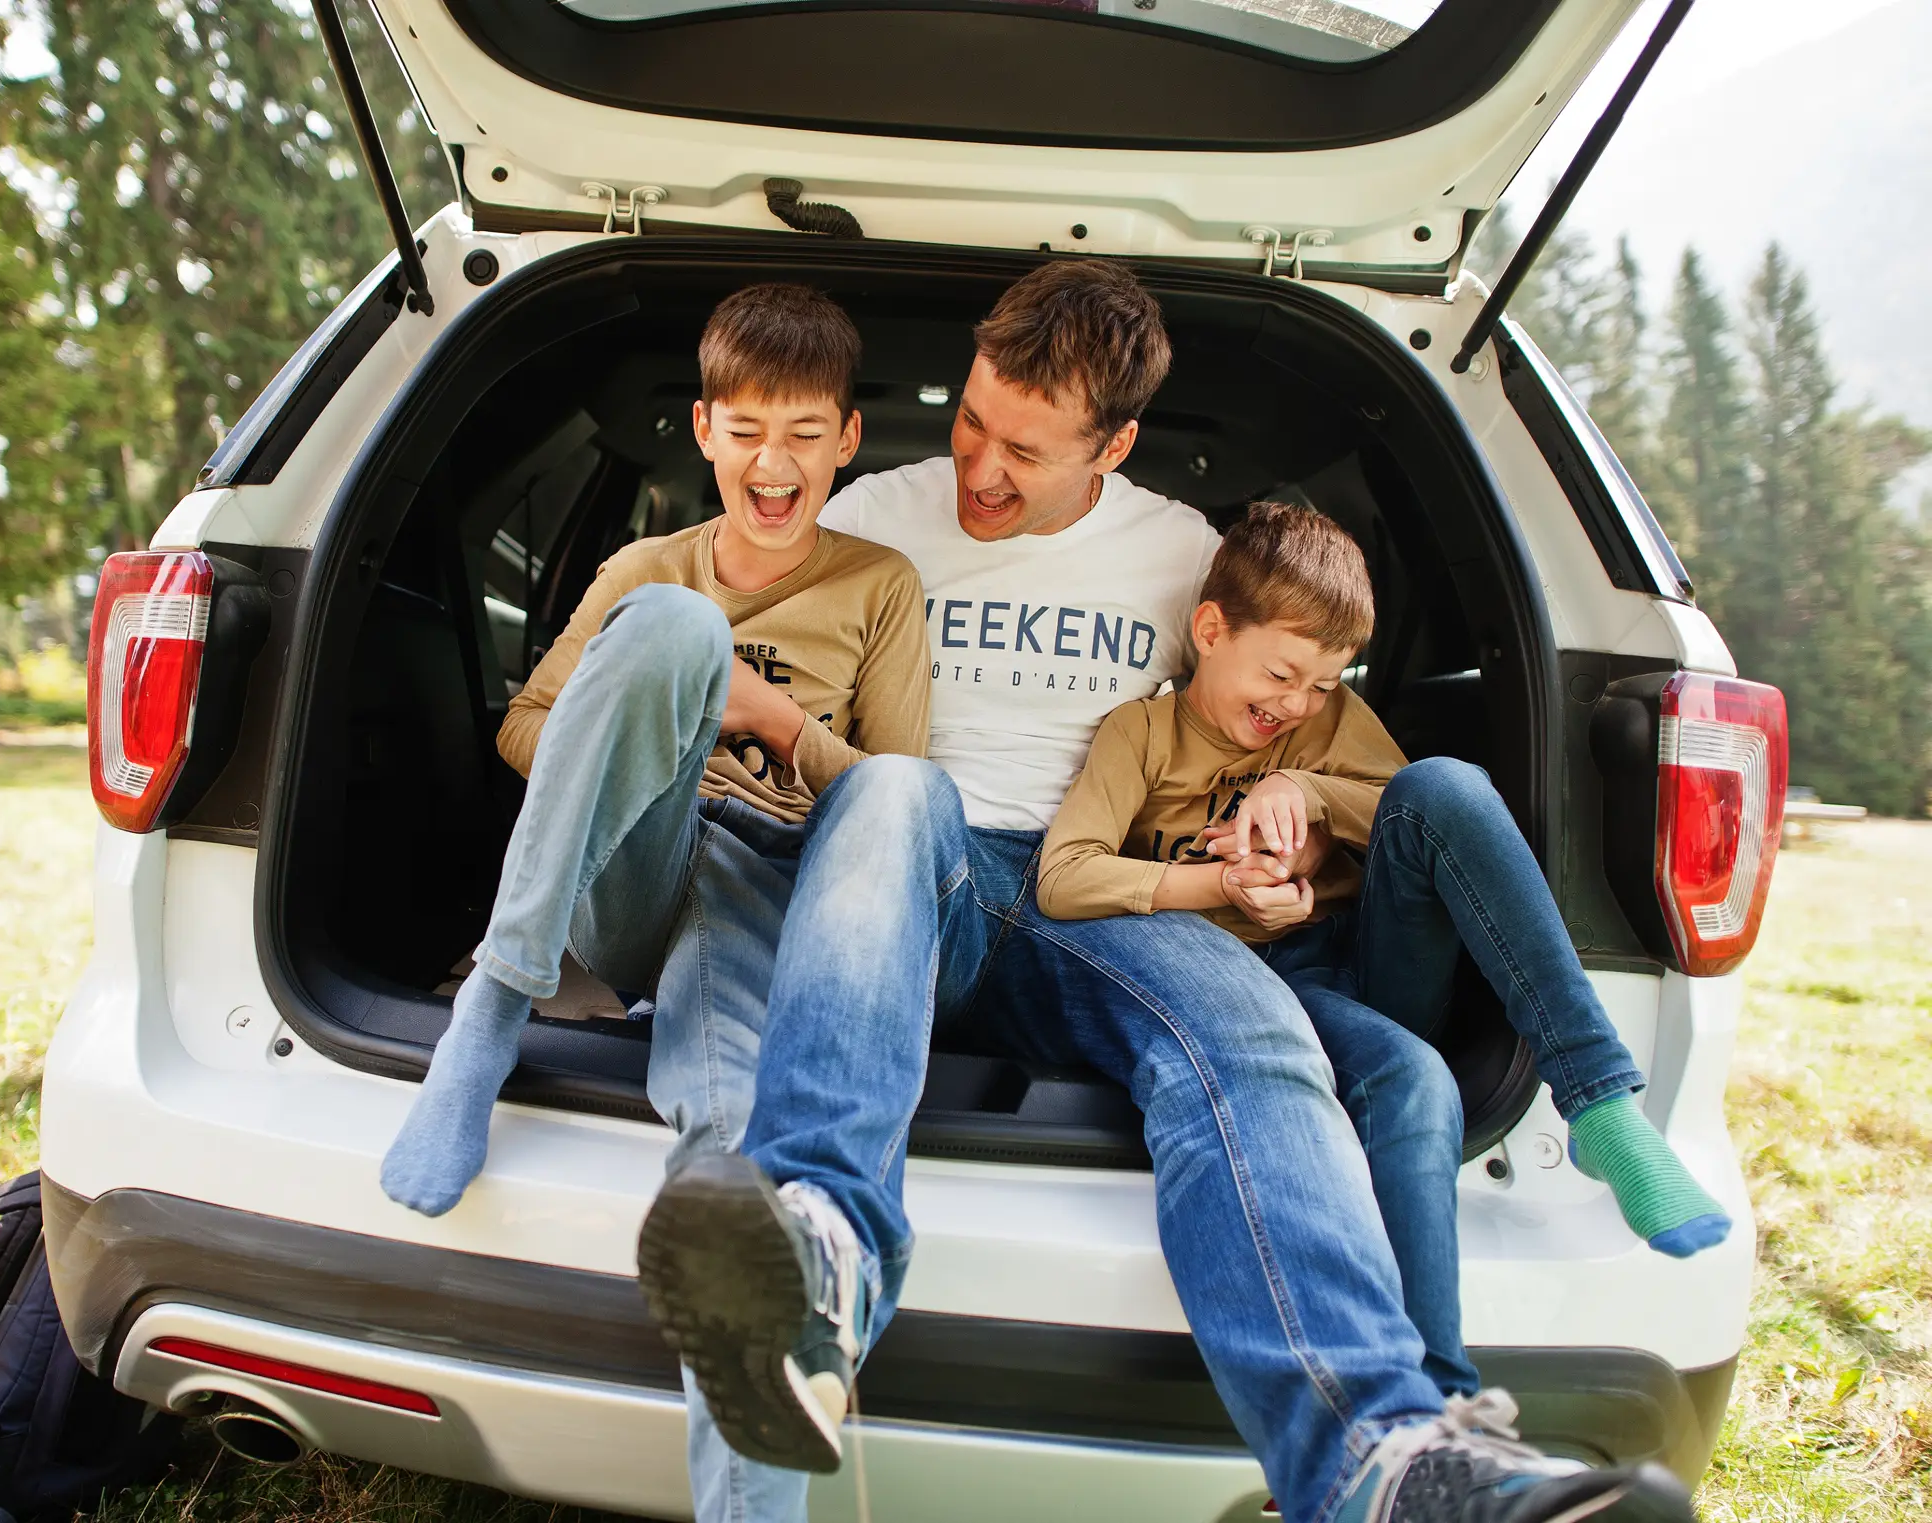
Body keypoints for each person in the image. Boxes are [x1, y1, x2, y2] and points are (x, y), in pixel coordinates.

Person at [633, 262, 1699, 1523]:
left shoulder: (1185, 559)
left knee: (1255, 1034)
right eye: (972, 421)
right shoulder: (874, 511)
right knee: (897, 793)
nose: (978, 468)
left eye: (1026, 450)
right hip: (895, 853)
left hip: (1082, 887)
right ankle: (817, 1262)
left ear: (1115, 443)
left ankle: (1384, 1458)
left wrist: (1292, 848)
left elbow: (1297, 742)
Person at [1036, 500, 1730, 1403]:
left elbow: (1417, 811)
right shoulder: (1143, 735)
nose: (1296, 703)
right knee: (1419, 1081)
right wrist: (1222, 888)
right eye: (1283, 673)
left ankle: (1598, 1100)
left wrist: (1306, 792)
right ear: (1211, 630)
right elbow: (1063, 878)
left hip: (1351, 969)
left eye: (1325, 682)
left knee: (1445, 783)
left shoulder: (1324, 724)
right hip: (1234, 996)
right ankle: (1436, 1391)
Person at [378, 282, 929, 1215]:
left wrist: (773, 719)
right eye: (748, 429)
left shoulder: (881, 584)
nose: (774, 461)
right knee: (677, 627)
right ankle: (493, 1009)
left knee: (733, 1113)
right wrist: (662, 720)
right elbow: (522, 727)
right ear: (705, 428)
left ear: (847, 438)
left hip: (774, 872)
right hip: (629, 867)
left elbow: (897, 801)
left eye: (804, 432)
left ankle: (726, 1280)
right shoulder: (647, 568)